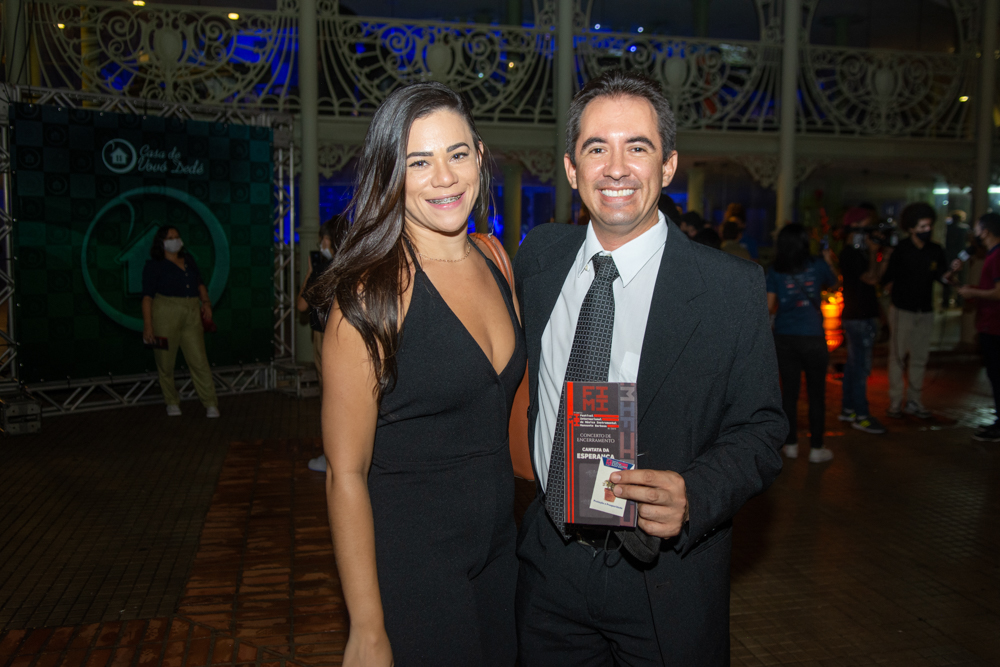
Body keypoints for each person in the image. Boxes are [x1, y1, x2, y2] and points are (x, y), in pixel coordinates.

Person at [513, 70, 786, 665]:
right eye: (597, 148)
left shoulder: (728, 288)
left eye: (637, 147)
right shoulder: (539, 260)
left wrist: (695, 494)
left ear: (668, 166)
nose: (616, 168)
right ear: (571, 169)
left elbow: (763, 429)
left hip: (664, 582)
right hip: (548, 569)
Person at [307, 82, 523, 666]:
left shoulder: (496, 260)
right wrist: (366, 627)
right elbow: (345, 474)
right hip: (414, 563)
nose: (444, 178)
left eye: (457, 154)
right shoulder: (371, 296)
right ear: (391, 173)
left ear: (479, 156)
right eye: (419, 162)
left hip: (501, 550)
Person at [766, 224, 838, 462]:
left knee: (789, 394)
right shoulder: (817, 265)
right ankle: (816, 448)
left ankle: (791, 445)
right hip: (813, 336)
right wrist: (828, 260)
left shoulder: (775, 270)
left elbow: (768, 306)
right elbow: (835, 284)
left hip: (785, 337)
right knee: (816, 394)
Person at [881, 202, 959, 419]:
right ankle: (895, 401)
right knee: (897, 357)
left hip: (925, 310)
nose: (927, 230)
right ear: (911, 228)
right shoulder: (901, 250)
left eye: (929, 226)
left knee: (919, 358)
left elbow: (942, 277)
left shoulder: (935, 250)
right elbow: (887, 279)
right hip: (902, 310)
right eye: (923, 227)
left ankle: (914, 401)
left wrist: (951, 273)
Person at [141, 226, 219, 418]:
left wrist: (206, 302)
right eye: (170, 237)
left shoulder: (188, 259)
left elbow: (200, 283)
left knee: (199, 360)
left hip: (191, 312)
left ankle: (210, 403)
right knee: (165, 362)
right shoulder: (153, 265)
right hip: (165, 313)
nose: (175, 240)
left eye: (177, 236)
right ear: (161, 242)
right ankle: (171, 401)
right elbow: (147, 298)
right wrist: (148, 325)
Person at [298, 215, 350, 473]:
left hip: (325, 336)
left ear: (328, 240)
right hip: (350, 336)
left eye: (322, 239)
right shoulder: (355, 264)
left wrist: (310, 272)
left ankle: (332, 457)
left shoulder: (322, 270)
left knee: (329, 398)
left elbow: (301, 305)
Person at [838, 207, 888, 434]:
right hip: (858, 316)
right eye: (866, 227)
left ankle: (848, 408)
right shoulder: (851, 253)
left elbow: (876, 278)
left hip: (858, 315)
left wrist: (882, 254)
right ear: (855, 227)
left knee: (853, 364)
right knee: (861, 368)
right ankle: (862, 415)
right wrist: (875, 253)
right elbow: (871, 278)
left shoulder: (859, 252)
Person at [957, 212, 1000, 442]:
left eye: (976, 228)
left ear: (986, 231)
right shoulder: (992, 255)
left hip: (995, 326)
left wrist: (974, 292)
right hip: (990, 324)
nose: (973, 234)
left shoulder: (997, 256)